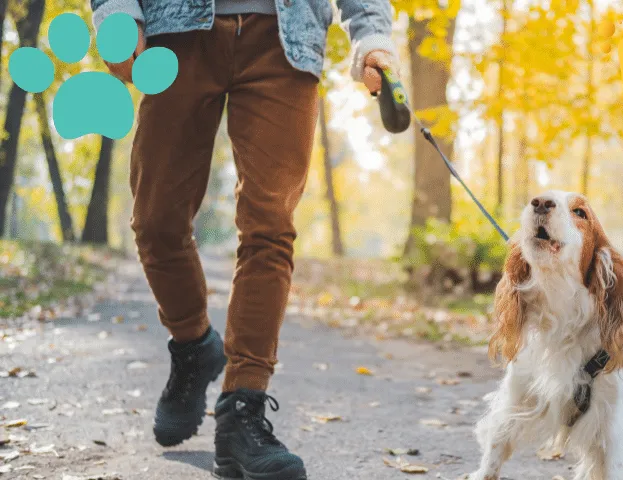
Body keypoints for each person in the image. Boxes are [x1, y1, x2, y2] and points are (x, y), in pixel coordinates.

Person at [87, 0, 397, 477]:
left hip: (286, 40)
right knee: (156, 221)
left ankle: (242, 410)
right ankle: (193, 346)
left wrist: (372, 36)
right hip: (178, 31)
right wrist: (117, 13)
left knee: (269, 227)